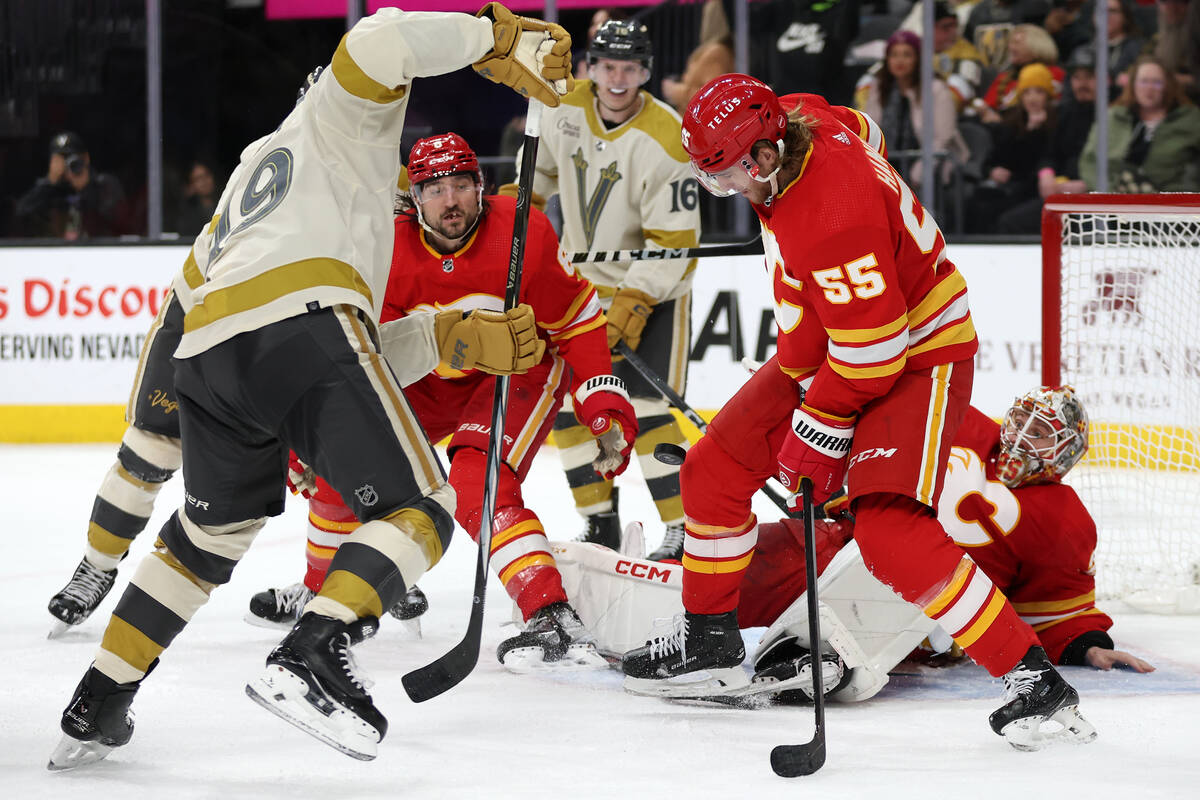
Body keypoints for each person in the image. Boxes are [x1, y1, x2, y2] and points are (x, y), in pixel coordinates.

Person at [47, 4, 574, 770]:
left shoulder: (260, 177)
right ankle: (315, 651)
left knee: (205, 540)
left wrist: (447, 336)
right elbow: (378, 38)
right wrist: (495, 33)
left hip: (211, 352)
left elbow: (308, 335)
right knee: (424, 505)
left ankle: (100, 695)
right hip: (295, 325)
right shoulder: (342, 117)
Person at [619, 73, 1095, 751]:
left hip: (920, 355)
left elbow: (875, 353)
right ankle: (710, 645)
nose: (729, 190)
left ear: (760, 156)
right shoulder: (799, 116)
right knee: (712, 471)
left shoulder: (831, 216)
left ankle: (1034, 682)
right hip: (833, 338)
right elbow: (861, 130)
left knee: (890, 535)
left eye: (728, 175)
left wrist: (818, 430)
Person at [247, 132, 637, 671]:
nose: (450, 200)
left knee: (477, 485)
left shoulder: (524, 232)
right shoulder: (382, 248)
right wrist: (315, 436)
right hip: (426, 379)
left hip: (511, 373)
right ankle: (329, 593)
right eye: (435, 189)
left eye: (461, 185)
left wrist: (601, 400)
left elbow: (577, 320)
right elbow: (351, 352)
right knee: (341, 460)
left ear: (481, 187)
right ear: (414, 197)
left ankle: (550, 613)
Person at [561, 388, 1153, 712]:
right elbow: (877, 447)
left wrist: (1085, 644)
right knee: (723, 579)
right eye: (1022, 420)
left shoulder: (1065, 518)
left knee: (868, 617)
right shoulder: (960, 420)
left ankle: (815, 664)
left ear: (1066, 453)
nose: (1023, 439)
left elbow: (1057, 604)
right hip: (838, 539)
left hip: (919, 610)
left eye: (1043, 435)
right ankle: (607, 597)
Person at [502, 19, 701, 563]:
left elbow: (673, 242)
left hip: (653, 291)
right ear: (591, 66)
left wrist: (633, 306)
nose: (618, 79)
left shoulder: (667, 138)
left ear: (646, 72)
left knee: (647, 410)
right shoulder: (562, 108)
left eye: (631, 68)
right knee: (571, 406)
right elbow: (532, 186)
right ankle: (599, 523)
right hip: (578, 290)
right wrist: (509, 235)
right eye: (608, 66)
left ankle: (685, 530)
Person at [859, 30, 968, 186]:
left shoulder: (936, 89)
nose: (899, 60)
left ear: (918, 59)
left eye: (907, 55)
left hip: (933, 167)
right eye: (894, 55)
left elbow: (943, 137)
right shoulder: (880, 87)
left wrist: (919, 173)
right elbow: (870, 129)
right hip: (889, 165)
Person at [1079, 55, 1200, 193]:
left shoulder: (1190, 119)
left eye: (1156, 82)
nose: (1149, 88)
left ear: (1168, 86)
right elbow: (1089, 162)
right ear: (1133, 85)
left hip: (1172, 203)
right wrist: (1109, 192)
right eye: (1143, 81)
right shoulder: (1112, 117)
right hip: (1114, 200)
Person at [968, 63, 1059, 233]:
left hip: (1032, 189)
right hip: (1008, 186)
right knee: (976, 204)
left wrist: (1034, 132)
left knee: (1004, 217)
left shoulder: (1056, 122)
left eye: (1038, 92)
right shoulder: (1011, 121)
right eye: (1027, 92)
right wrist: (992, 171)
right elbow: (994, 157)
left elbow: (1042, 160)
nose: (1032, 98)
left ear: (1047, 95)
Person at [14, 131, 126, 239]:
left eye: (72, 157)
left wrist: (85, 186)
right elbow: (21, 213)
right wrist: (50, 182)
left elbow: (118, 221)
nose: (68, 164)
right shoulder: (49, 189)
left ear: (86, 158)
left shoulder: (103, 183)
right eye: (61, 159)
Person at [973, 23, 1063, 120]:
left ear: (1036, 46)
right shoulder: (1005, 77)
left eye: (1017, 43)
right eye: (1011, 43)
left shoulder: (1053, 73)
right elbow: (988, 105)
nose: (1011, 47)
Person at [172, 160, 222, 237]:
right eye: (198, 179)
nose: (204, 181)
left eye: (206, 175)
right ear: (191, 185)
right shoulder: (187, 214)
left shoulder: (225, 203)